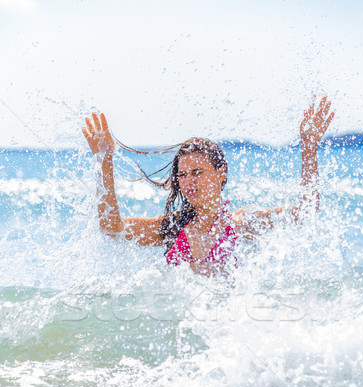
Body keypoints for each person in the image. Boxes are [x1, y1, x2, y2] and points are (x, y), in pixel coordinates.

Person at [82, 97, 334, 277]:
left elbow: (306, 210)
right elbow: (111, 227)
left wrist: (309, 147)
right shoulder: (170, 228)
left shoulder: (242, 224)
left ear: (219, 173)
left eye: (197, 172)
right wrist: (104, 160)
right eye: (182, 174)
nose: (188, 181)